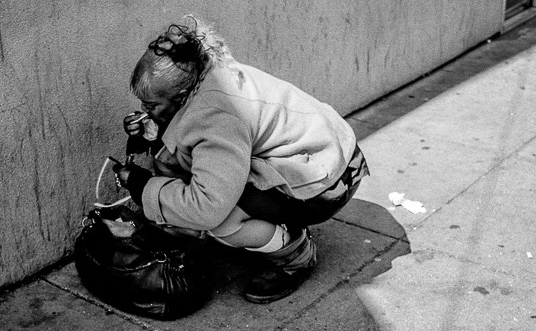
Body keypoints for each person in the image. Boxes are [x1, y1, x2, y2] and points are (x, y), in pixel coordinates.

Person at [113, 16, 368, 303]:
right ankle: (273, 226)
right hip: (331, 154)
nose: (144, 110)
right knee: (204, 190)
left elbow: (207, 207)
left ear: (181, 96)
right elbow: (193, 143)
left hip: (328, 179)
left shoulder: (215, 116)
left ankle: (295, 254)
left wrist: (140, 186)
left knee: (218, 220)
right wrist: (154, 130)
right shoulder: (204, 73)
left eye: (151, 105)